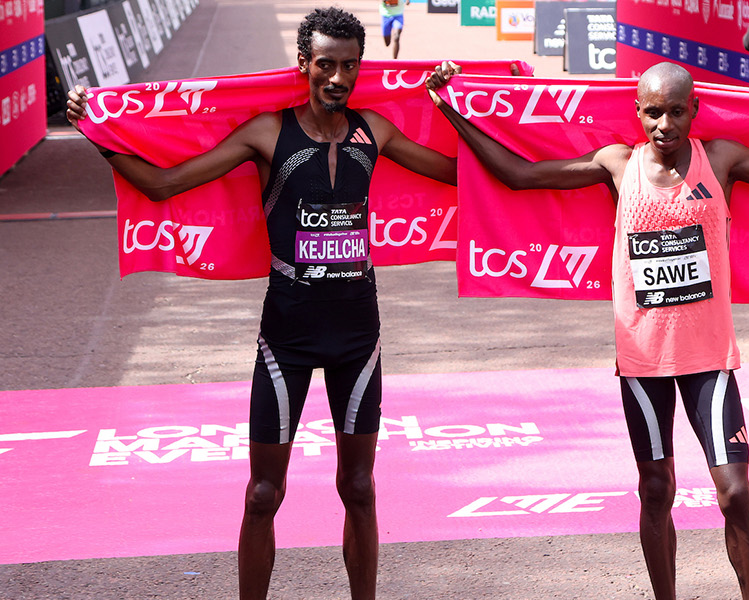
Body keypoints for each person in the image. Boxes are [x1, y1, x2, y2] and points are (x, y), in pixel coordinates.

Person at [426, 60, 749, 600]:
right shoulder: (618, 164)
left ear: (695, 110)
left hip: (709, 356)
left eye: (677, 111)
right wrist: (451, 109)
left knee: (735, 494)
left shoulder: (722, 160)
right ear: (637, 112)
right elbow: (519, 175)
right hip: (642, 360)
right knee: (656, 489)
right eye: (653, 113)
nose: (665, 124)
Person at [66, 7, 458, 599]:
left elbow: (459, 174)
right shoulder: (267, 134)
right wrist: (97, 134)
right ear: (303, 65)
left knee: (359, 486)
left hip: (358, 330)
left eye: (350, 66)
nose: (338, 78)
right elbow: (164, 184)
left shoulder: (373, 132)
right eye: (326, 64)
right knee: (262, 494)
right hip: (288, 332)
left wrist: (457, 105)